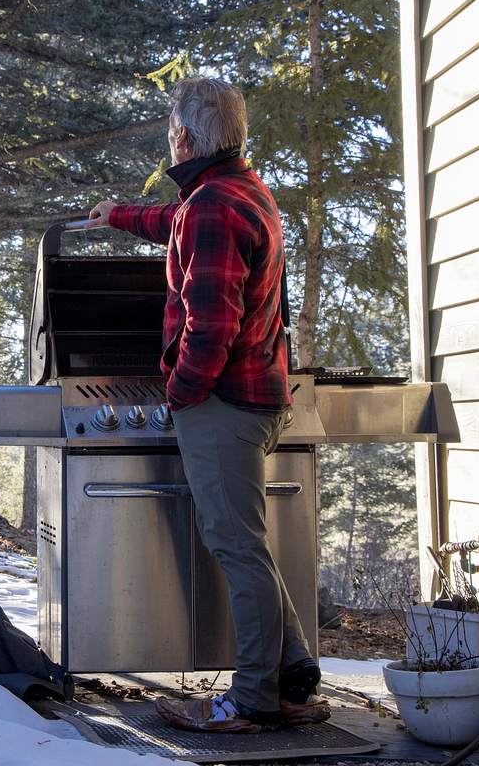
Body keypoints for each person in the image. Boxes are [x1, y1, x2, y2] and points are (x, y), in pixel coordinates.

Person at [88, 77, 328, 733]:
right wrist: (119, 215)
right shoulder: (237, 193)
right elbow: (176, 221)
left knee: (238, 548)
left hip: (223, 401)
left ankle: (251, 699)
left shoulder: (213, 208)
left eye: (170, 129)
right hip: (255, 395)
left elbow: (210, 325)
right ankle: (295, 676)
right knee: (248, 543)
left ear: (184, 136)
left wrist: (181, 393)